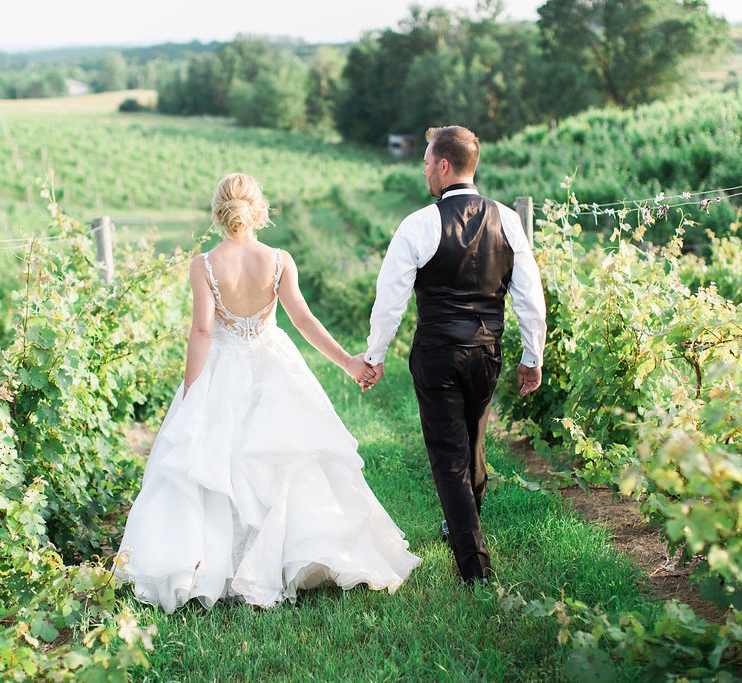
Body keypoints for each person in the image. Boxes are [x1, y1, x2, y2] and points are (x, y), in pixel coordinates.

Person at [115, 173, 421, 612]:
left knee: (217, 464)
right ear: (259, 209)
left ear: (218, 211)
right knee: (284, 462)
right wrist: (350, 362)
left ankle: (210, 565)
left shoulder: (203, 265)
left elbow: (203, 330)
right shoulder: (278, 260)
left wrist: (191, 392)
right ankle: (284, 554)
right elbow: (303, 320)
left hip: (220, 365)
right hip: (270, 362)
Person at [357, 125, 546, 585]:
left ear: (444, 166)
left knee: (449, 454)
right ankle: (460, 528)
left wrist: (374, 354)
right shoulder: (508, 219)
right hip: (487, 350)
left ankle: (475, 568)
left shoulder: (419, 224)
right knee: (472, 444)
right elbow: (530, 297)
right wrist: (532, 356)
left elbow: (390, 299)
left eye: (426, 162)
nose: (424, 171)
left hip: (438, 352)